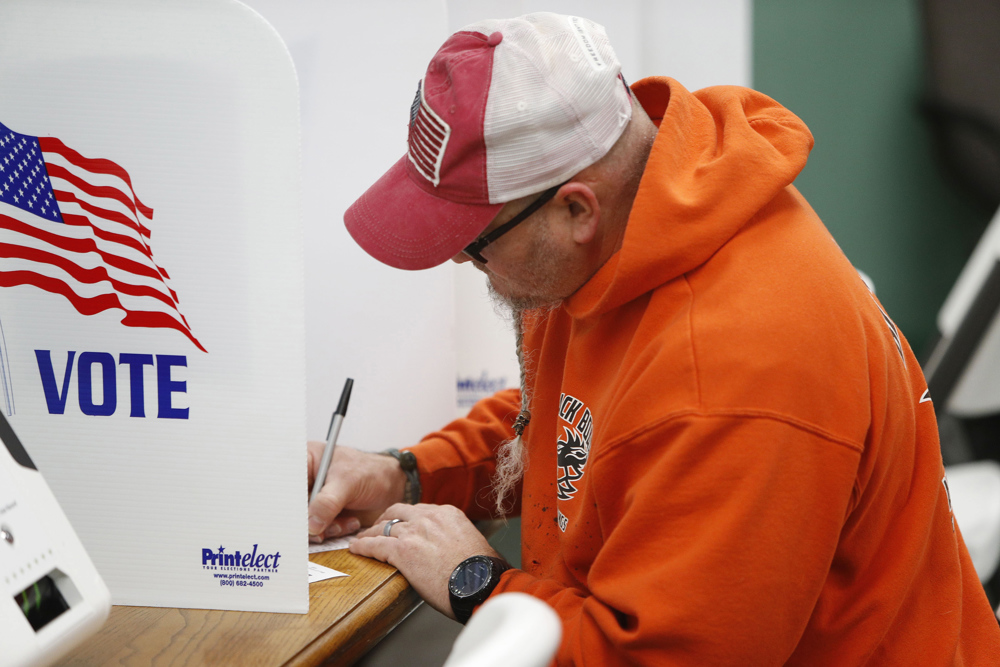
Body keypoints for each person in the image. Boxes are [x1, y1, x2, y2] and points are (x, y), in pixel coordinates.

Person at [308, 12, 1000, 665]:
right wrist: (407, 472)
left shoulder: (736, 373)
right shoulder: (625, 228)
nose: (461, 259)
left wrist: (476, 582)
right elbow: (581, 422)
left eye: (475, 242)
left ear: (576, 208)